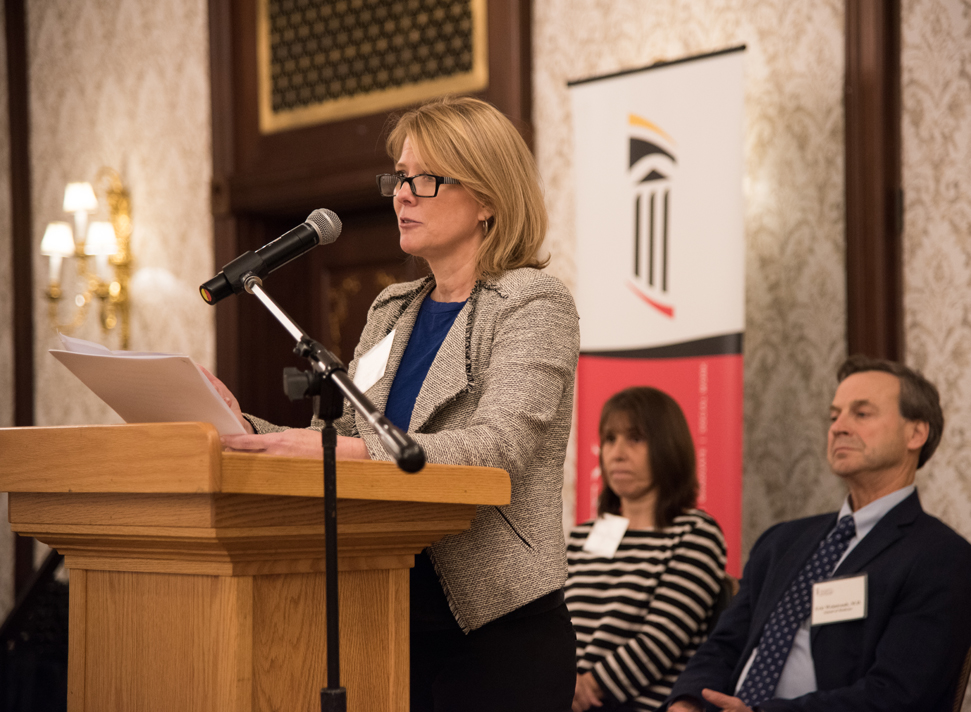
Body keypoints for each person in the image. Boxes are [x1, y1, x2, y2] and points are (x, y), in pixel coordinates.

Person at [206, 96, 580, 712]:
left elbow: (500, 445)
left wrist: (352, 451)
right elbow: (346, 432)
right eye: (399, 178)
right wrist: (239, 424)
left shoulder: (532, 303)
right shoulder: (391, 309)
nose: (402, 195)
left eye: (424, 179)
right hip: (382, 607)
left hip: (495, 627)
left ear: (487, 197)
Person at [663, 356, 971, 712]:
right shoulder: (781, 542)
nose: (838, 426)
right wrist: (686, 702)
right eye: (833, 415)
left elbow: (895, 694)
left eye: (862, 413)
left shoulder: (942, 558)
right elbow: (722, 645)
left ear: (916, 433)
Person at [566, 387, 727, 712]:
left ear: (668, 446)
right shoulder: (582, 535)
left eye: (635, 439)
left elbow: (662, 638)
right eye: (610, 439)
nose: (617, 453)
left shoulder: (696, 533)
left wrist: (588, 687)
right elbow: (552, 629)